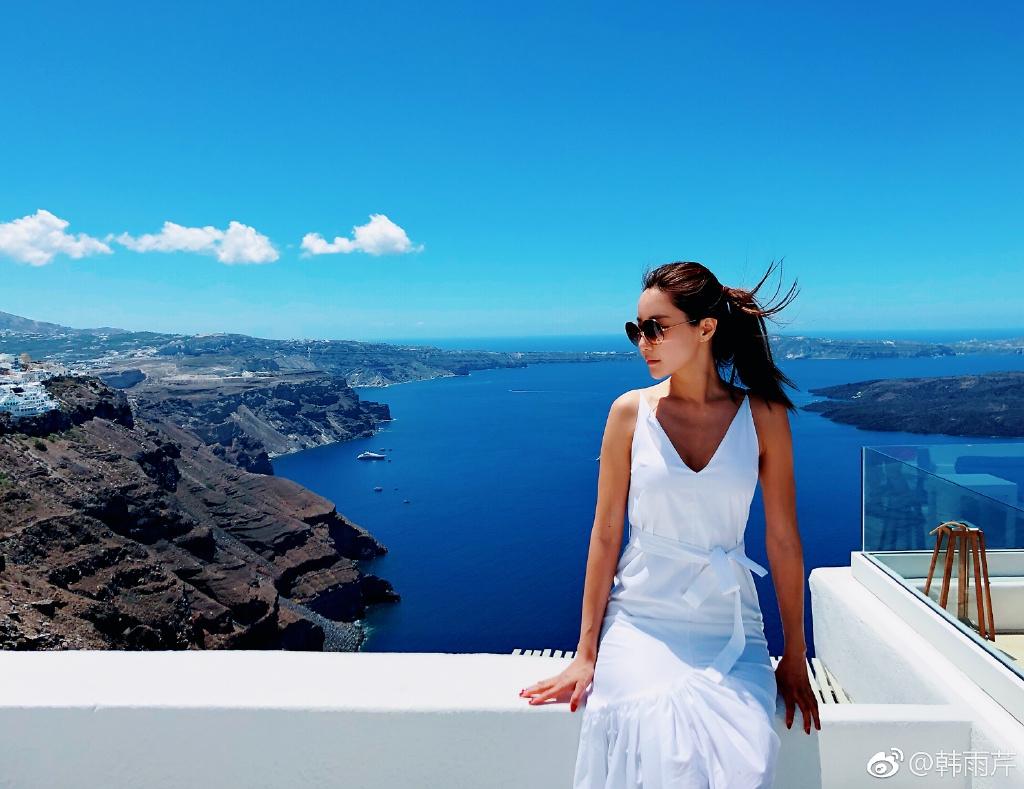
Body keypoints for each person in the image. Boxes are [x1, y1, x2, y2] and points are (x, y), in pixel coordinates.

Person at [519, 260, 821, 787]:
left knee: (745, 756)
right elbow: (606, 534)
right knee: (652, 744)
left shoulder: (764, 415)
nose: (644, 342)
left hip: (730, 623)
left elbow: (783, 539)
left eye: (656, 327)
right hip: (640, 620)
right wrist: (584, 653)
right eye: (637, 330)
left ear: (706, 329)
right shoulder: (628, 413)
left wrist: (794, 655)